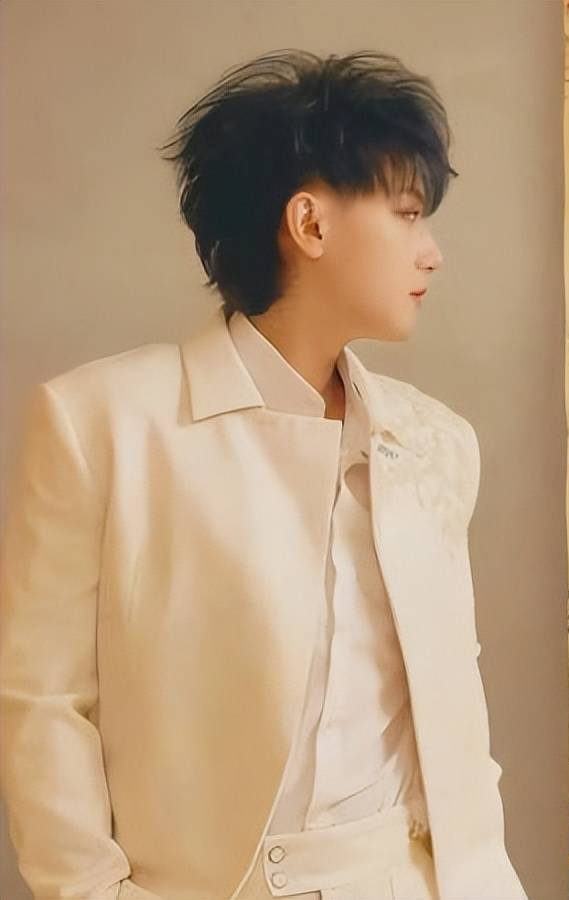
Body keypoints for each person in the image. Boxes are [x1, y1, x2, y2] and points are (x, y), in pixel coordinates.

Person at [0, 49, 527, 899]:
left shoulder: (437, 441)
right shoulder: (100, 424)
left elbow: (458, 726)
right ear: (309, 225)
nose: (432, 254)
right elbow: (42, 704)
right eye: (406, 215)